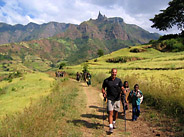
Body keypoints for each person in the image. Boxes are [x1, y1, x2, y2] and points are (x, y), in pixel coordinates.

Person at [102, 68, 125, 133]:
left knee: (116, 113)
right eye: (113, 72)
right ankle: (110, 127)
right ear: (111, 72)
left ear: (116, 73)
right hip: (110, 99)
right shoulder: (106, 80)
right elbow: (103, 88)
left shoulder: (119, 80)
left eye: (115, 72)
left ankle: (114, 122)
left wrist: (123, 91)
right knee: (110, 113)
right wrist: (104, 93)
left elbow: (122, 87)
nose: (114, 73)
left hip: (117, 99)